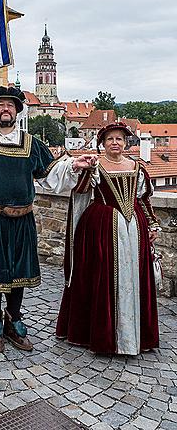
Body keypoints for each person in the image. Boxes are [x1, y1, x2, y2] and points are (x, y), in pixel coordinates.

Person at [0, 86, 96, 353]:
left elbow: (50, 175)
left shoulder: (31, 143)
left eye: (11, 105)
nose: (6, 109)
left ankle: (14, 320)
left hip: (22, 219)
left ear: (17, 110)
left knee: (18, 272)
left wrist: (74, 164)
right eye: (0, 105)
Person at [56, 122, 160, 355]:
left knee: (134, 276)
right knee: (103, 275)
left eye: (119, 139)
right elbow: (81, 191)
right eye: (110, 139)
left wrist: (152, 224)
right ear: (102, 143)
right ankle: (105, 336)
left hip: (134, 229)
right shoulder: (96, 167)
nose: (115, 143)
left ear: (126, 143)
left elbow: (143, 199)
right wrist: (85, 170)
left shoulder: (136, 167)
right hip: (101, 229)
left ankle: (134, 336)